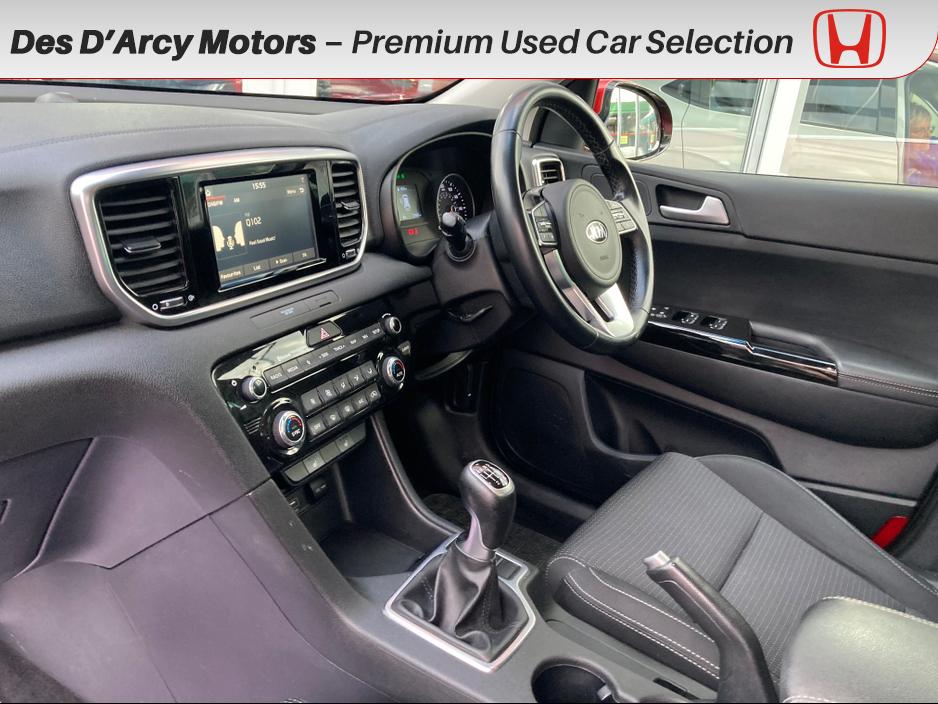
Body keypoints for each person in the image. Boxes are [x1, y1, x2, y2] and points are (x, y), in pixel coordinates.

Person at [905, 103, 938, 187]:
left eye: (929, 128)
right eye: (921, 131)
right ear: (905, 134)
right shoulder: (906, 163)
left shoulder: (934, 146)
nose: (929, 134)